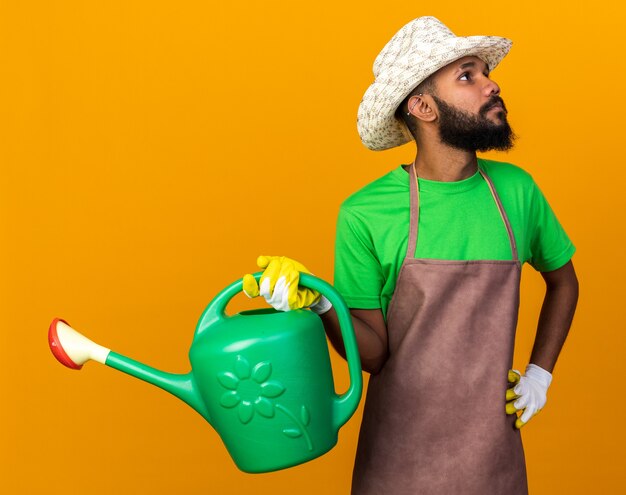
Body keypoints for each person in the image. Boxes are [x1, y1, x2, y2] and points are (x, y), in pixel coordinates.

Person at [243, 16, 579, 494]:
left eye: (484, 72)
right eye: (468, 75)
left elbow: (564, 281)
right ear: (422, 106)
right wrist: (320, 304)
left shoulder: (517, 193)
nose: (491, 84)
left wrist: (540, 374)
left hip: (494, 459)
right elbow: (375, 355)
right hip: (398, 459)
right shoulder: (366, 214)